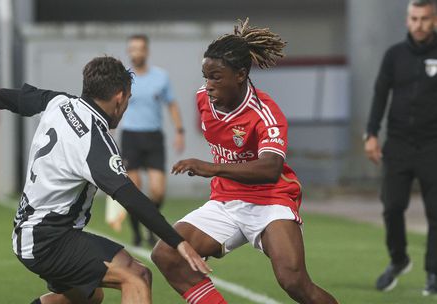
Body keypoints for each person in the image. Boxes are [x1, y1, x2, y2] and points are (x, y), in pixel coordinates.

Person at [0, 56, 210, 304]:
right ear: (120, 98)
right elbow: (128, 195)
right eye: (128, 100)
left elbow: (5, 96)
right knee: (136, 275)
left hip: (29, 233)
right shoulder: (95, 141)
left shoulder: (59, 102)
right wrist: (178, 242)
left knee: (89, 296)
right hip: (50, 239)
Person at [150, 19, 338, 304]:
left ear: (240, 75)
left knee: (293, 281)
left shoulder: (265, 113)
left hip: (270, 201)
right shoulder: (203, 99)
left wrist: (210, 167)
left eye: (216, 77)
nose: (208, 86)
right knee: (166, 252)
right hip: (226, 201)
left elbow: (270, 169)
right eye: (205, 76)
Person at [364, 0, 437, 295]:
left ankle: (433, 273)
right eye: (414, 18)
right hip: (399, 145)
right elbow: (380, 94)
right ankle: (399, 259)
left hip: (433, 146)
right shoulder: (394, 55)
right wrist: (371, 133)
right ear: (407, 20)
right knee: (392, 207)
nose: (418, 24)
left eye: (424, 19)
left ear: (434, 21)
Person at [119, 34, 185, 247]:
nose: (135, 52)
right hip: (130, 136)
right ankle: (138, 233)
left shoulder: (161, 77)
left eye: (139, 48)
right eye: (132, 49)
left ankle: (150, 224)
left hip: (154, 137)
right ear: (129, 52)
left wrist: (179, 131)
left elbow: (171, 104)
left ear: (146, 51)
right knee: (134, 188)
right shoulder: (123, 78)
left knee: (158, 190)